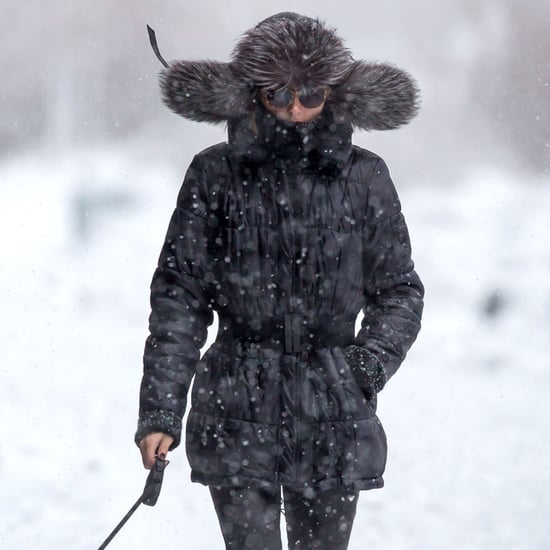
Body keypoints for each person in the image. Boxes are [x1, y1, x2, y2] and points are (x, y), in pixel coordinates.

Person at [136, 12, 424, 550]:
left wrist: (364, 367)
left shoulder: (365, 176)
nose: (295, 107)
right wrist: (160, 411)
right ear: (253, 93)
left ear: (334, 94)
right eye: (280, 92)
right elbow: (180, 297)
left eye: (311, 93)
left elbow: (399, 290)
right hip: (235, 400)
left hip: (334, 405)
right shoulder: (214, 173)